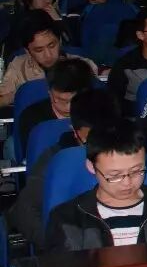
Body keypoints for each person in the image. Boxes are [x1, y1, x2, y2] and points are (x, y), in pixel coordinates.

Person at [48, 118, 147, 252]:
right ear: (91, 166)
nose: (127, 183)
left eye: (136, 171)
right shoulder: (67, 219)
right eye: (115, 175)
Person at [9, 83, 114, 251]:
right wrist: (59, 247)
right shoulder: (54, 158)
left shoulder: (134, 153)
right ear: (75, 132)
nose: (98, 148)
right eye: (90, 141)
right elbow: (25, 211)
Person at [5, 14, 95, 115]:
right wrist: (16, 95)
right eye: (39, 50)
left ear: (59, 41)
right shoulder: (17, 66)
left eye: (52, 45)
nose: (48, 55)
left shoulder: (83, 65)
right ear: (27, 51)